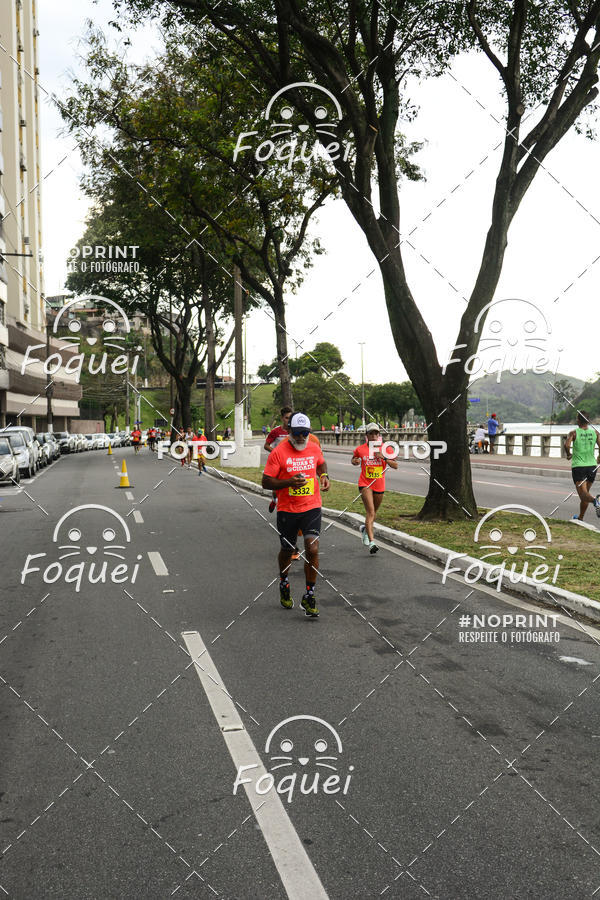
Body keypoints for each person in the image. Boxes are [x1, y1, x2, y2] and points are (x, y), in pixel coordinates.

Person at [262, 412, 330, 617]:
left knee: (312, 547)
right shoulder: (278, 452)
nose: (301, 437)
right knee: (287, 549)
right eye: (297, 433)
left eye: (305, 433)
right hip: (287, 509)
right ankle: (284, 582)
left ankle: (309, 595)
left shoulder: (314, 447)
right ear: (289, 431)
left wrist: (324, 475)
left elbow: (321, 462)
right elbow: (266, 482)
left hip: (311, 506)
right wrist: (289, 482)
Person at [351, 423, 398, 554]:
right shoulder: (360, 449)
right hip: (365, 483)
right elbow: (354, 459)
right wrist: (355, 461)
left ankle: (364, 529)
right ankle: (372, 542)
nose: (373, 436)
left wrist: (383, 457)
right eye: (370, 433)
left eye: (376, 433)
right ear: (366, 435)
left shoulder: (386, 448)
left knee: (373, 513)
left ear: (379, 435)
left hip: (379, 484)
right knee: (371, 512)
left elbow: (395, 465)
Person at [564, 410, 600, 521]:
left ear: (578, 420)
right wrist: (599, 457)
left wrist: (569, 454)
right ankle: (580, 518)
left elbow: (566, 445)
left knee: (583, 494)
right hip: (592, 466)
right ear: (588, 421)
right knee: (585, 494)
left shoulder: (573, 433)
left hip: (579, 467)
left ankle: (596, 501)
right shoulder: (595, 433)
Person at [264, 406, 293, 514]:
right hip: (278, 463)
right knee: (276, 487)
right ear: (282, 418)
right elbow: (266, 445)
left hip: (291, 462)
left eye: (290, 418)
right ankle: (274, 499)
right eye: (286, 418)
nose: (288, 420)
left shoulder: (294, 431)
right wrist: (276, 452)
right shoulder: (276, 431)